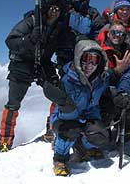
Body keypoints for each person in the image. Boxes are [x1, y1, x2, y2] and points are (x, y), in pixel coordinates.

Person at [0, 0, 70, 152]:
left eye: (58, 8)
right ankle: (4, 141)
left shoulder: (58, 28)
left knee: (58, 93)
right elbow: (10, 41)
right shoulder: (31, 21)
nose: (55, 11)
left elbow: (70, 40)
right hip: (22, 63)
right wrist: (29, 39)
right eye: (52, 7)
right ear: (45, 8)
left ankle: (52, 128)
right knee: (13, 104)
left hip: (43, 64)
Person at [43, 40, 111, 176]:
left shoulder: (101, 80)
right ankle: (60, 158)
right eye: (86, 58)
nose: (89, 65)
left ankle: (85, 147)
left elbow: (102, 98)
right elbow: (62, 108)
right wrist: (63, 103)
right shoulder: (67, 80)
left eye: (94, 60)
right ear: (78, 58)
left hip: (87, 117)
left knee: (100, 134)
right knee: (70, 129)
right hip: (65, 119)